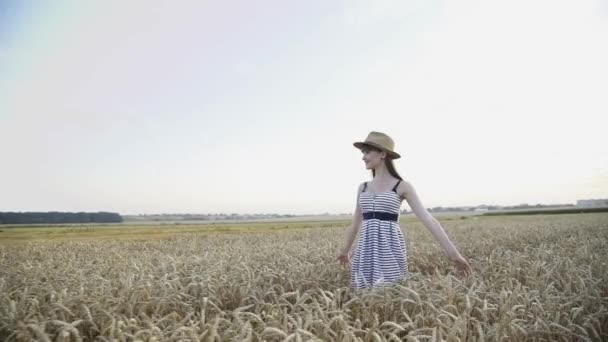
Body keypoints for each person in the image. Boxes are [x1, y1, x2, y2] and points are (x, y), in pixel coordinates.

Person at [336, 131, 472, 290]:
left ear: (383, 153)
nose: (363, 157)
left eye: (367, 152)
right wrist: (345, 252)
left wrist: (454, 256)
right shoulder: (363, 187)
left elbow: (428, 220)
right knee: (363, 295)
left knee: (391, 291)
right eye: (363, 153)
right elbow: (355, 223)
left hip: (390, 248)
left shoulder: (402, 186)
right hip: (366, 249)